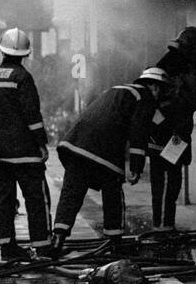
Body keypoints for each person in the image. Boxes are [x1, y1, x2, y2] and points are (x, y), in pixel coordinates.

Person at [48, 67, 173, 258]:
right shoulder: (145, 97)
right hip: (103, 149)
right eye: (161, 90)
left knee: (70, 195)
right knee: (113, 194)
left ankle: (57, 240)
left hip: (76, 144)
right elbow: (138, 132)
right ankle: (114, 243)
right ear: (154, 87)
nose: (160, 96)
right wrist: (136, 167)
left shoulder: (116, 90)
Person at [0, 28, 52, 260]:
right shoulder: (23, 77)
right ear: (25, 53)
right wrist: (42, 144)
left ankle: (7, 248)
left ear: (1, 49)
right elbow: (31, 115)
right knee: (36, 198)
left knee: (3, 199)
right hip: (24, 152)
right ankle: (43, 247)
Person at [147, 63, 196, 232]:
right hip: (170, 143)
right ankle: (164, 224)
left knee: (164, 186)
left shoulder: (170, 98)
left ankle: (162, 224)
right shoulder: (177, 96)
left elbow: (174, 125)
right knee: (168, 186)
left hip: (167, 144)